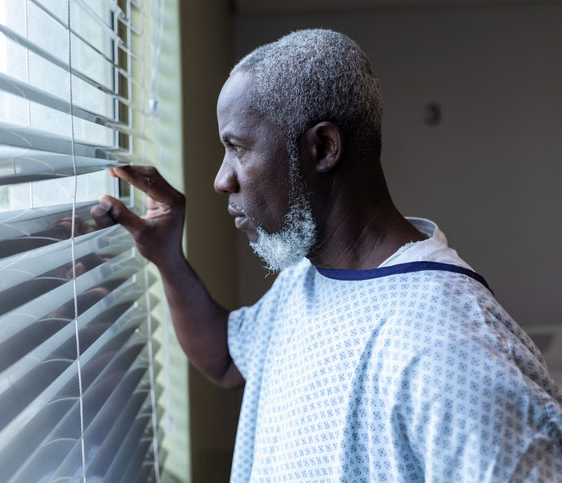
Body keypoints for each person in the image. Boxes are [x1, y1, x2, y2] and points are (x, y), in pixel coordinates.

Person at [91, 29, 562, 481]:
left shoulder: (447, 343)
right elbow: (228, 361)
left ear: (322, 148)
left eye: (237, 148)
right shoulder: (309, 277)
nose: (221, 179)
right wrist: (167, 258)